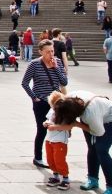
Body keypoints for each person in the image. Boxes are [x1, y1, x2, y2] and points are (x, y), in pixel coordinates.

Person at [53, 91, 112, 193]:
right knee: (91, 147)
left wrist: (77, 124)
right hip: (94, 116)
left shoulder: (90, 114)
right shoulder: (67, 100)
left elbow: (99, 132)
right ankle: (92, 179)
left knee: (101, 150)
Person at [21, 39, 68, 169]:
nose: (51, 54)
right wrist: (34, 98)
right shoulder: (34, 64)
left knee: (57, 128)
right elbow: (25, 82)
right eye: (47, 52)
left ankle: (55, 158)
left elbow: (64, 82)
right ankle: (38, 157)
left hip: (56, 102)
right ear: (40, 52)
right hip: (41, 101)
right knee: (42, 130)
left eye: (52, 51)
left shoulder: (58, 62)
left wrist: (56, 68)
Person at [42, 91, 71, 190]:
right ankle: (55, 176)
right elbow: (48, 119)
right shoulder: (52, 110)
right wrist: (46, 123)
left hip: (60, 140)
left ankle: (65, 178)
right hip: (49, 138)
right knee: (50, 159)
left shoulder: (64, 112)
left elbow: (68, 126)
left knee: (59, 159)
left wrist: (55, 127)